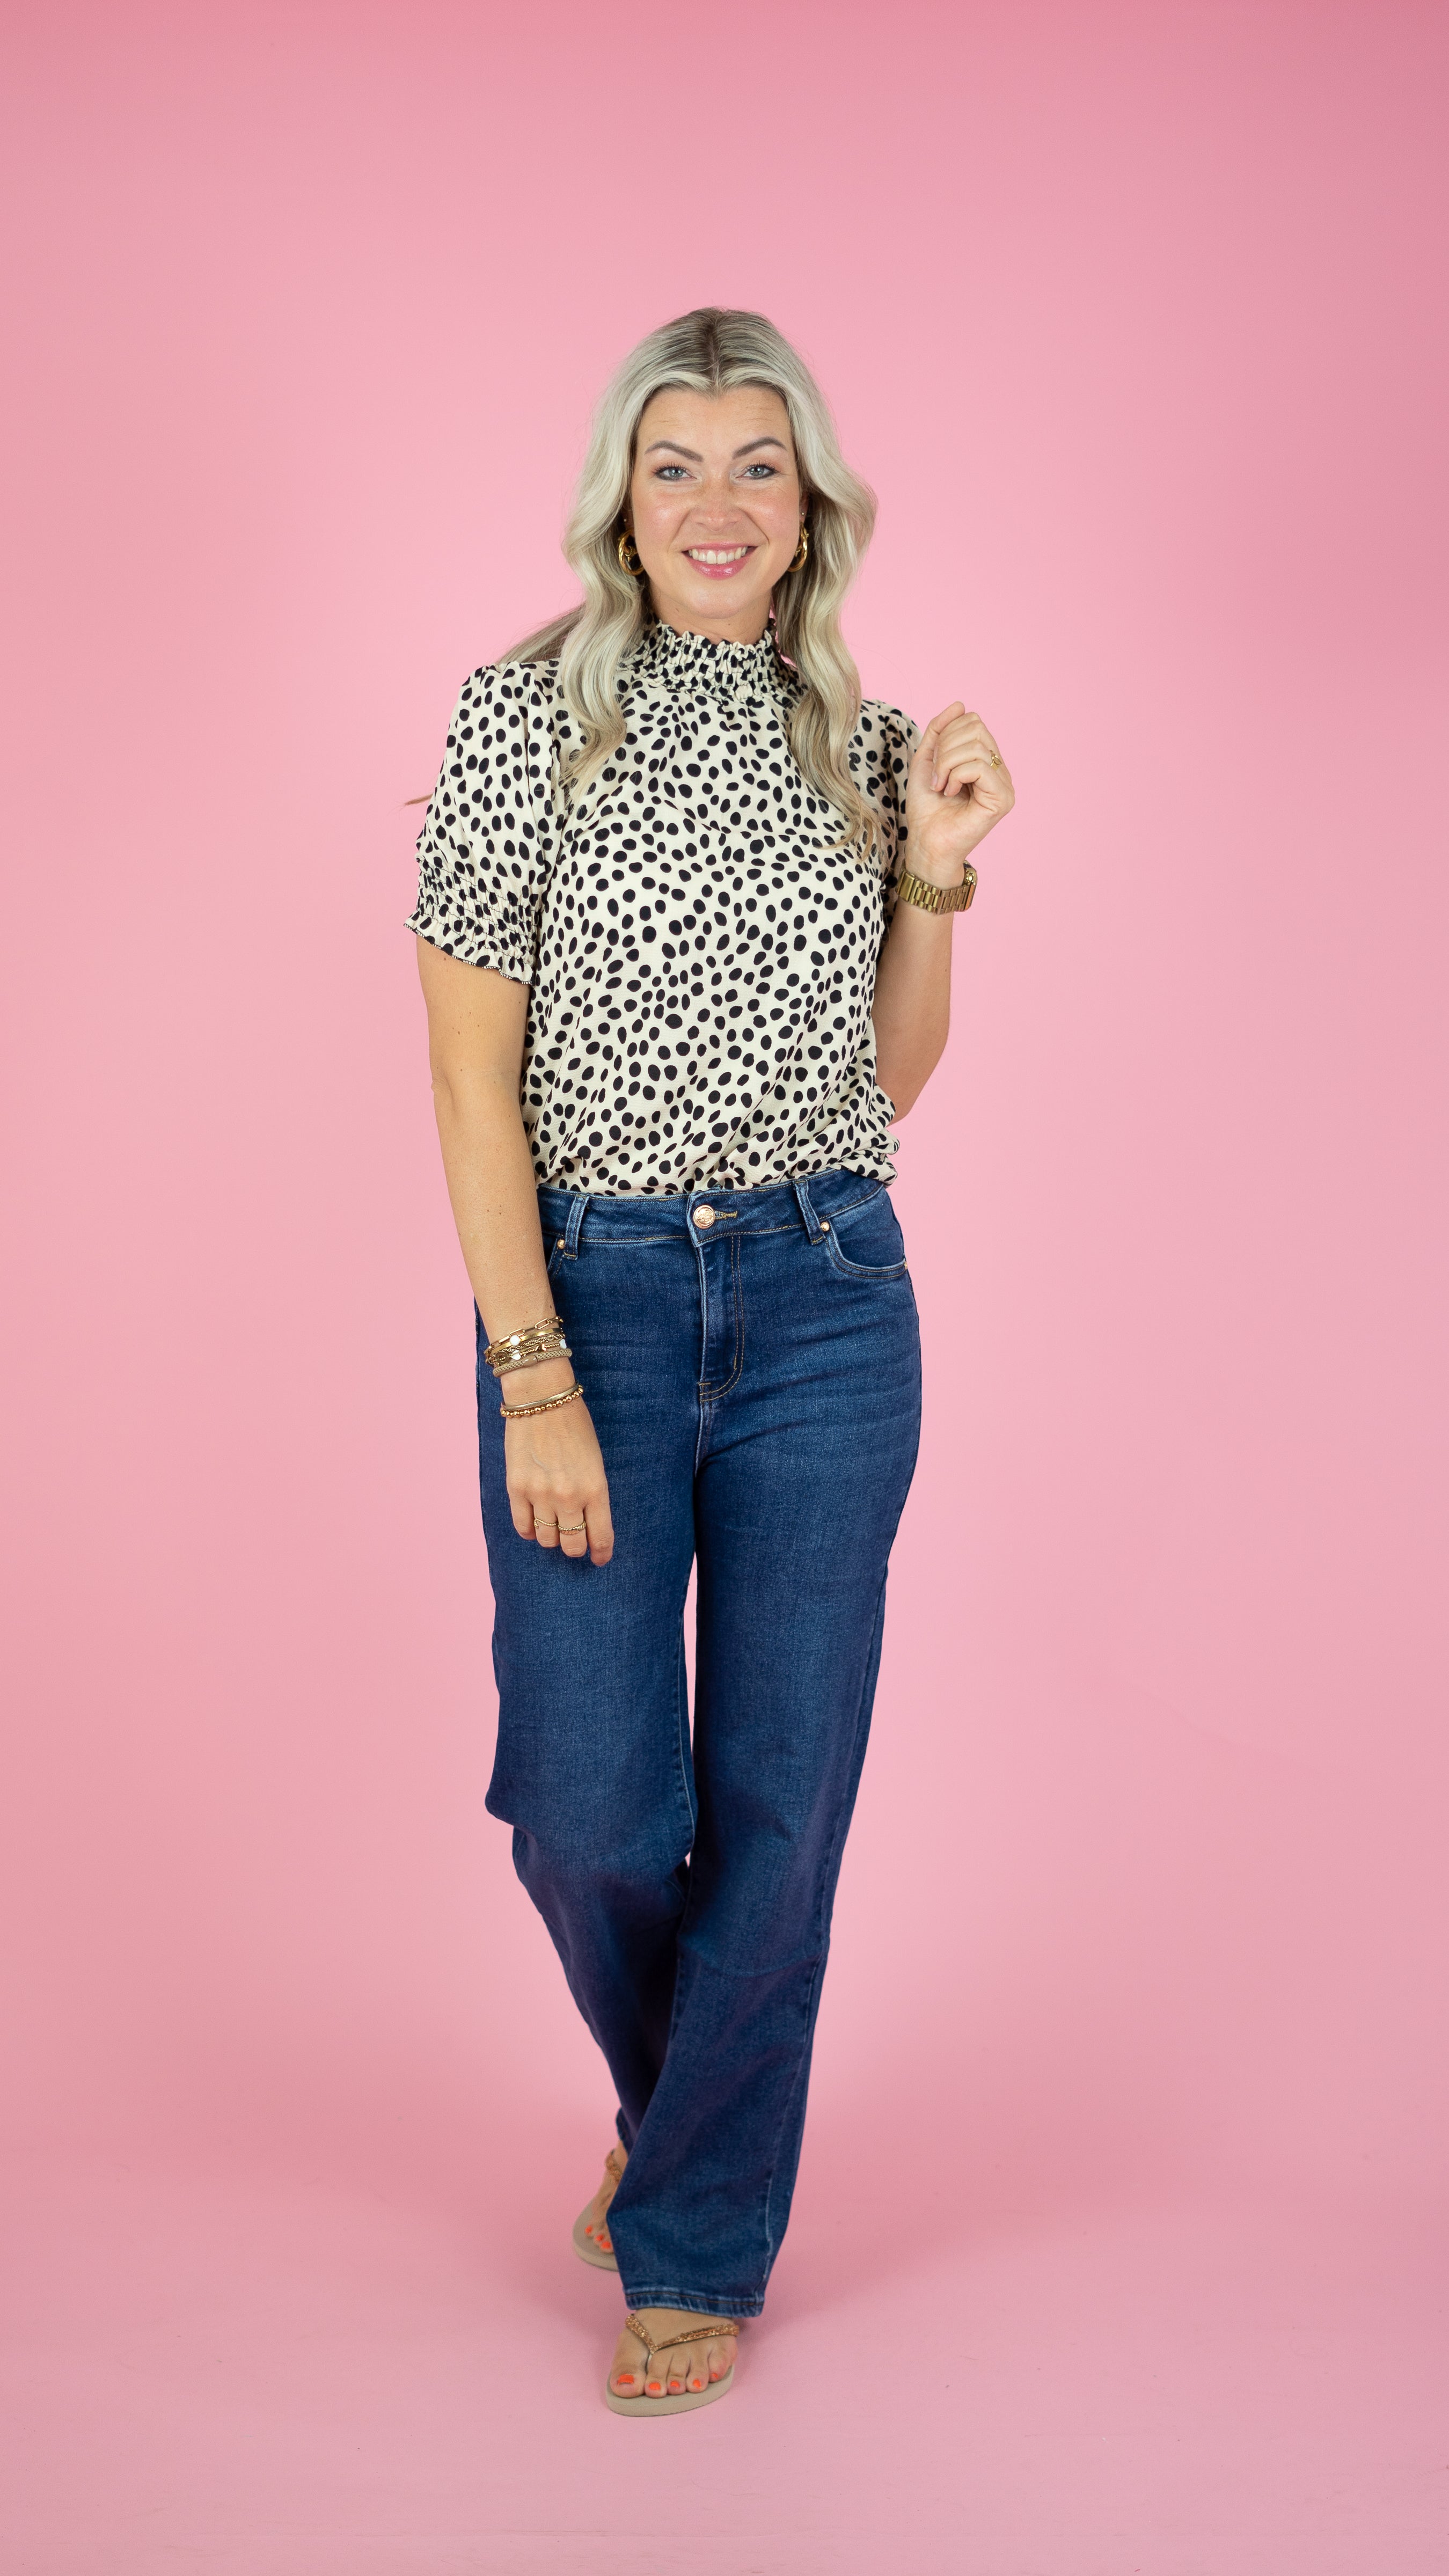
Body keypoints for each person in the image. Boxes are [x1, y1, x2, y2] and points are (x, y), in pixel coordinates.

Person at [410, 308, 1014, 2416]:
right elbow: (471, 1088)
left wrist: (933, 870)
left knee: (781, 1799)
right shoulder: (520, 718)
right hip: (592, 1299)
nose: (719, 504)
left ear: (812, 503)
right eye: (677, 464)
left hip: (827, 1296)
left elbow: (878, 1086)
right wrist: (534, 1373)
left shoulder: (865, 734)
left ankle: (693, 2238)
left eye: (760, 463)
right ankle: (686, 2121)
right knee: (590, 1804)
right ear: (621, 501)